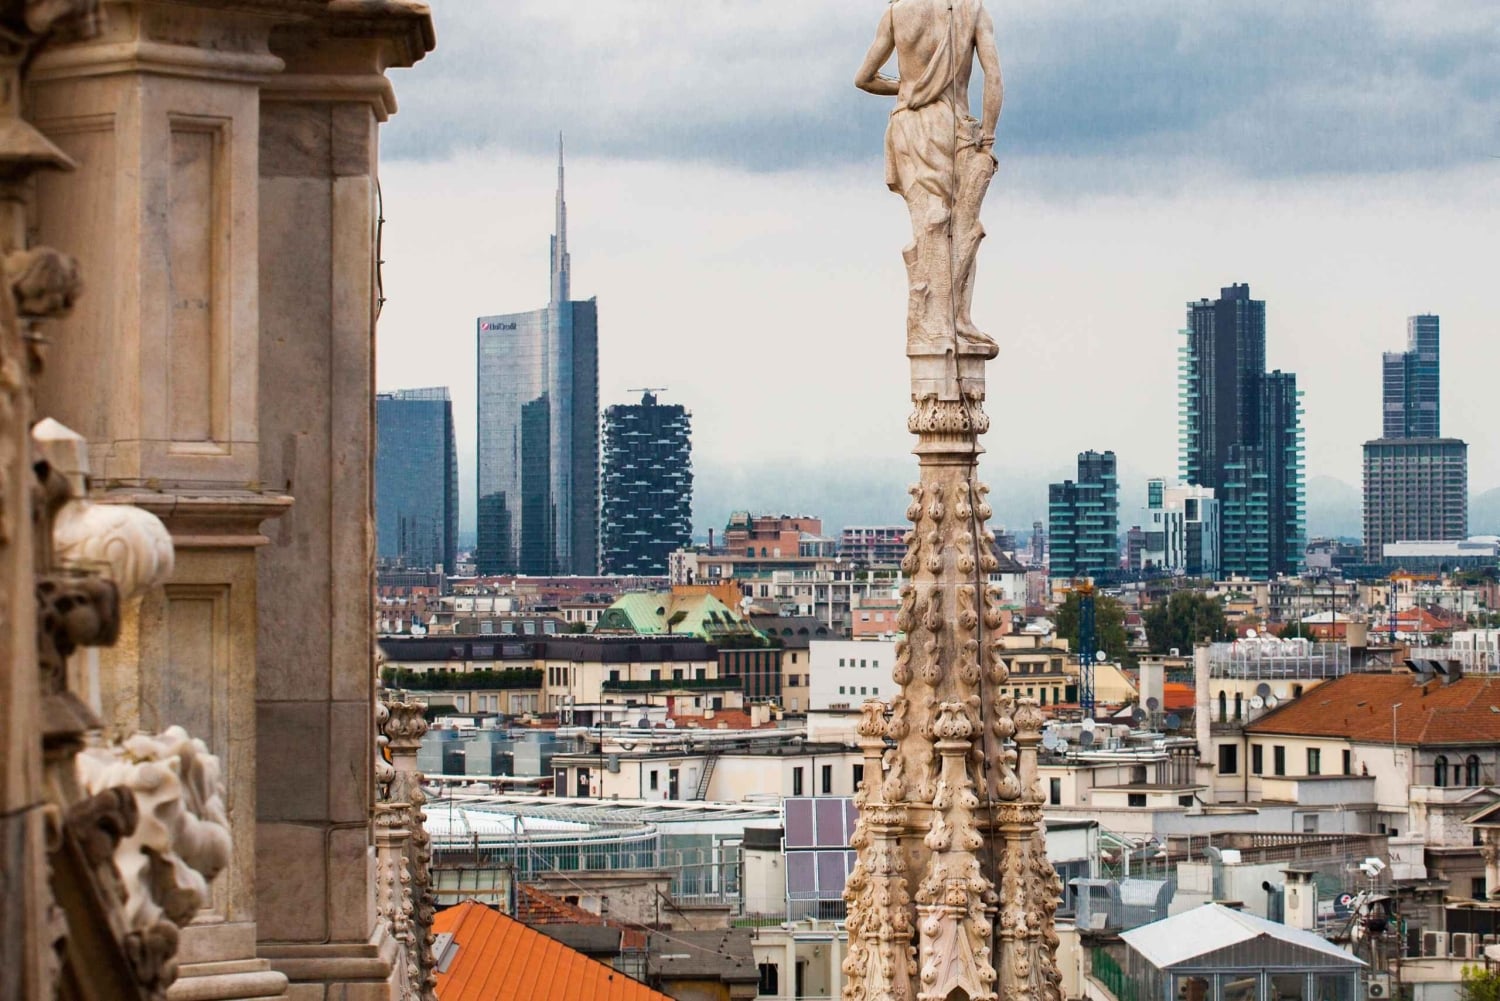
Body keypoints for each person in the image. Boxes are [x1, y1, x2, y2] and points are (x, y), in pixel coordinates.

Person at [856, 0, 1003, 358]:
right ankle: (952, 321)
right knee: (960, 227)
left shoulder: (896, 12)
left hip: (908, 125)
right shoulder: (973, 10)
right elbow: (994, 76)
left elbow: (864, 78)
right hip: (952, 126)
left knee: (931, 226)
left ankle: (942, 323)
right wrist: (988, 132)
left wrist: (909, 86)